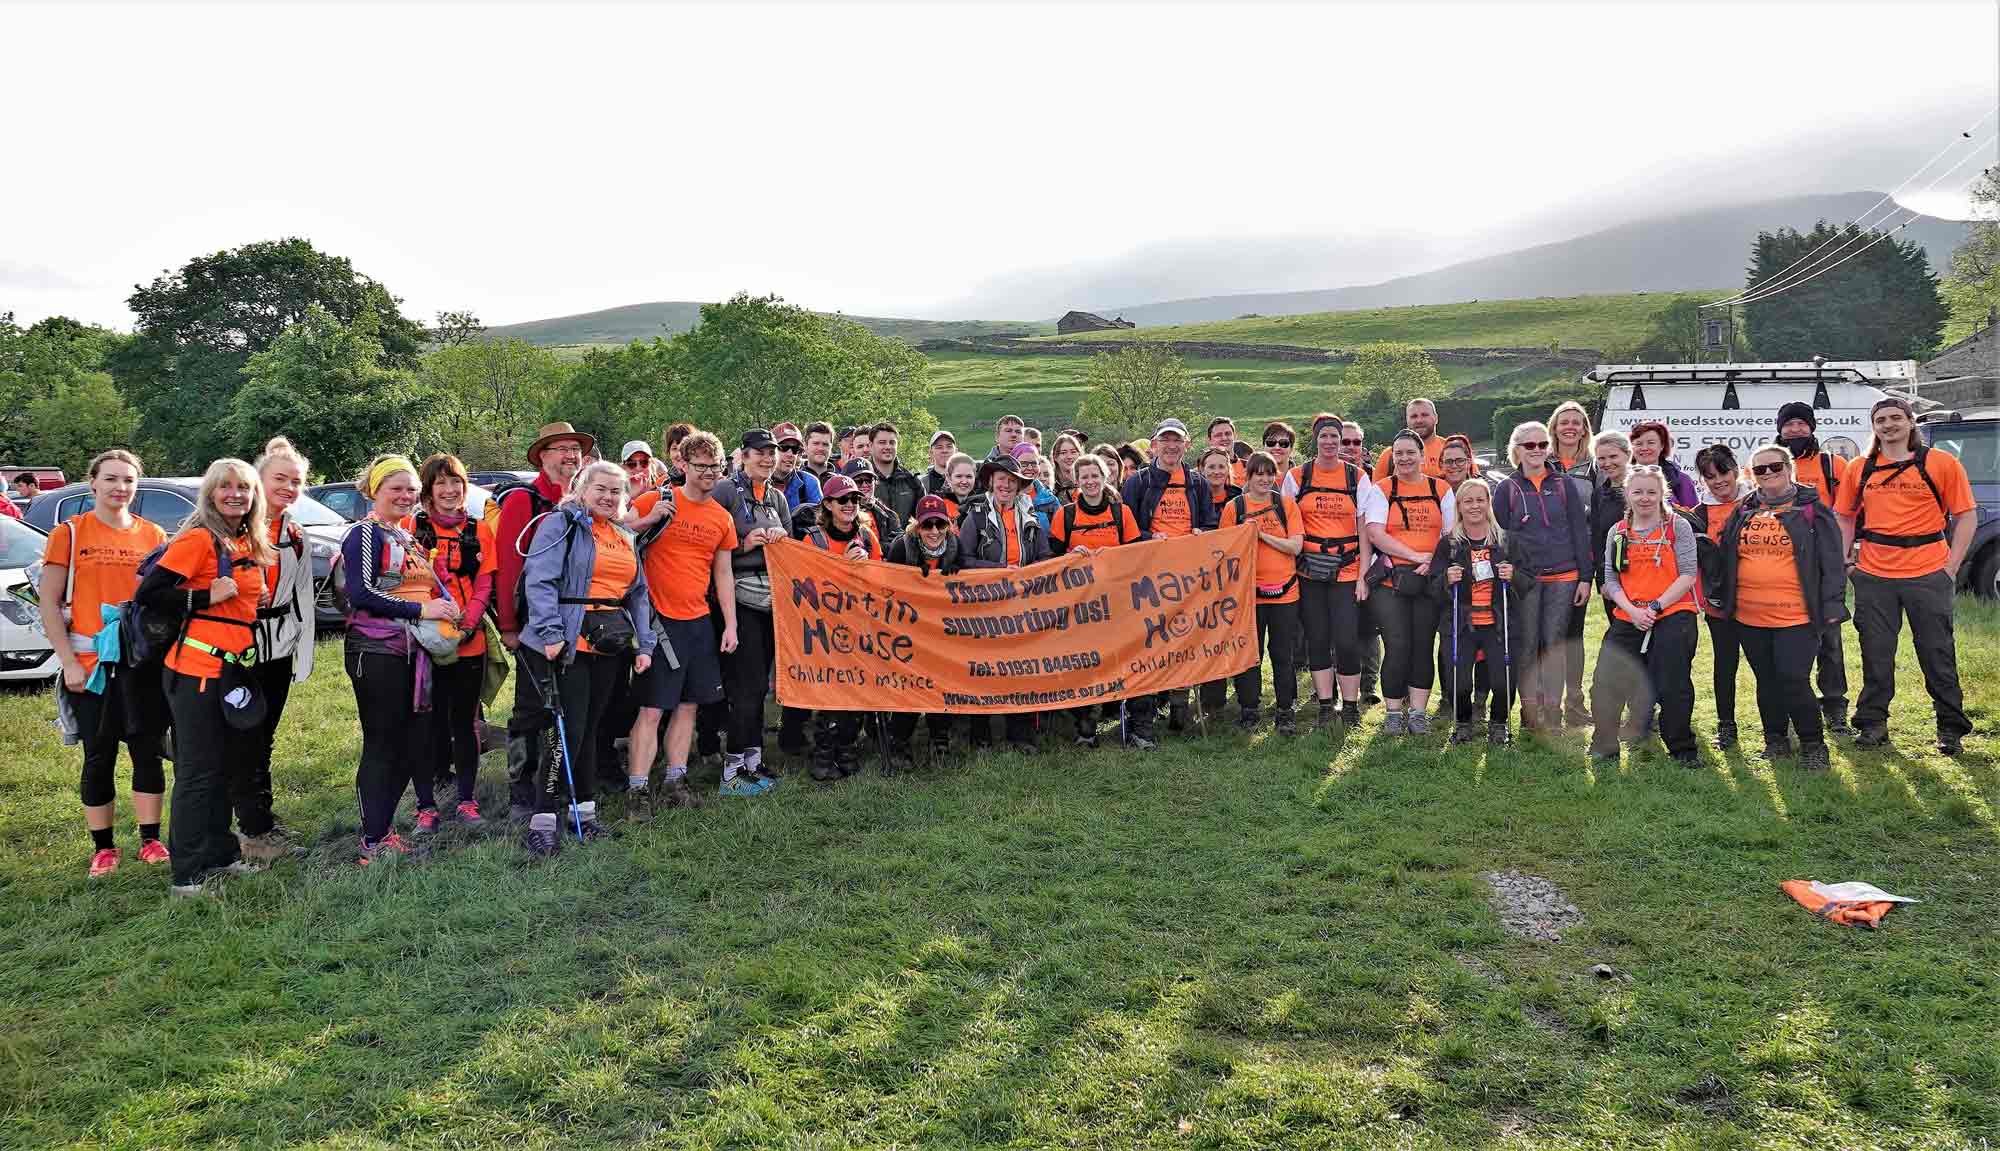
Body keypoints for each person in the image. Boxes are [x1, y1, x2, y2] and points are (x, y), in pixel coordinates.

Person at [138, 459, 273, 893]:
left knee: (224, 765)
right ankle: (187, 871)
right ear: (211, 494)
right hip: (195, 670)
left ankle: (222, 853)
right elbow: (150, 593)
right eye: (225, 487)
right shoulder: (199, 539)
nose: (236, 494)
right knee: (197, 772)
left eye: (244, 488)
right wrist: (202, 595)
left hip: (230, 669)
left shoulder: (247, 541)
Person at [38, 449, 170, 878]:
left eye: (128, 480)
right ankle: (104, 849)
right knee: (99, 754)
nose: (120, 488)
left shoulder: (153, 535)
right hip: (91, 663)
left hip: (141, 662)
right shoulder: (71, 532)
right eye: (111, 479)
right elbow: (49, 603)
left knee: (147, 751)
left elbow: (163, 600)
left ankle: (152, 841)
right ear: (92, 482)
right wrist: (68, 661)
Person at [1834, 396, 1977, 755]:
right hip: (1874, 575)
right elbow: (1845, 516)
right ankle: (1872, 724)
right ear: (1874, 427)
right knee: (1876, 653)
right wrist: (1846, 562)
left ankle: (1950, 727)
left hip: (1929, 572)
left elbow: (1966, 515)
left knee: (1936, 652)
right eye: (1881, 419)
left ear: (1911, 422)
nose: (1888, 424)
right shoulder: (1860, 468)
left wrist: (1952, 566)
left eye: (1896, 417)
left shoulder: (1941, 464)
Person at [341, 456, 461, 863]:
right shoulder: (363, 534)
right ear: (374, 490)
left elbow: (420, 587)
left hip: (412, 652)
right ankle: (371, 840)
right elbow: (360, 594)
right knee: (381, 743)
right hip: (376, 653)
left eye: (411, 489)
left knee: (407, 740)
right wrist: (421, 612)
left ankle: (384, 829)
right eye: (396, 488)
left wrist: (442, 606)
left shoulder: (404, 536)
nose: (406, 495)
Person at [624, 430, 738, 807]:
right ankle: (637, 789)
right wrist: (646, 519)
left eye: (715, 466)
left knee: (689, 704)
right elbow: (615, 535)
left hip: (699, 621)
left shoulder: (722, 518)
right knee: (653, 707)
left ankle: (676, 781)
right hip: (659, 621)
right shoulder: (657, 499)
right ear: (683, 465)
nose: (709, 473)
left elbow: (723, 573)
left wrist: (731, 624)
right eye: (701, 465)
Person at [1716, 444, 1847, 770]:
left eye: (1775, 466)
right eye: (1760, 469)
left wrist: (1832, 604)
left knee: (1792, 678)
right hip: (1749, 614)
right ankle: (1775, 741)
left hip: (1796, 614)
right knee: (1767, 679)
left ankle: (1814, 746)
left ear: (1789, 468)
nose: (1769, 473)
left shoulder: (1812, 508)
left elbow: (1832, 561)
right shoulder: (1744, 508)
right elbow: (1727, 553)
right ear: (1751, 475)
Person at [496, 421, 590, 821]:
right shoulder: (524, 499)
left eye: (576, 449)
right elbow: (508, 565)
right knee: (531, 708)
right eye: (561, 449)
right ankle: (521, 787)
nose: (571, 455)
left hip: (573, 622)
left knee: (564, 707)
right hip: (533, 625)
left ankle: (557, 783)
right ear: (543, 456)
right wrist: (508, 626)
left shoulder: (583, 499)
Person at [236, 437, 318, 859]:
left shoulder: (295, 533)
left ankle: (258, 817)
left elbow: (304, 597)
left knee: (264, 734)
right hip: (236, 649)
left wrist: (303, 653)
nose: (288, 487)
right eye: (280, 479)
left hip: (279, 646)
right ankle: (251, 828)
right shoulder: (232, 524)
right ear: (259, 479)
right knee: (244, 734)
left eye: (296, 481)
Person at [1590, 465, 1699, 768]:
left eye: (1652, 492)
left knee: (1671, 683)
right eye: (1637, 491)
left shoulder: (1678, 527)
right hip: (1629, 615)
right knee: (1605, 681)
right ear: (1627, 493)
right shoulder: (1617, 531)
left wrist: (1654, 608)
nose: (1645, 498)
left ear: (1662, 493)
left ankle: (1682, 748)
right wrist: (1632, 610)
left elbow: (1688, 574)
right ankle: (1605, 744)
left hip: (1673, 612)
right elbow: (1610, 580)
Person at [1491, 421, 1593, 732]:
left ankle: (1553, 711)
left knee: (1553, 644)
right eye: (1529, 445)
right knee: (1527, 644)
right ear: (1516, 450)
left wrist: (1585, 578)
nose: (1537, 451)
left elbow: (1579, 532)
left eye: (1542, 445)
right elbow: (1500, 539)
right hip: (1526, 579)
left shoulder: (1564, 485)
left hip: (1565, 576)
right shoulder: (1506, 489)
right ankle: (1529, 711)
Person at [413, 452, 497, 827]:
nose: (449, 490)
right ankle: (426, 804)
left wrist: (468, 623)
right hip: (426, 643)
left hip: (470, 640)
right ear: (428, 490)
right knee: (426, 724)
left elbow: (485, 582)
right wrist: (436, 624)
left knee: (465, 723)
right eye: (441, 483)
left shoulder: (479, 530)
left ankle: (466, 800)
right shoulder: (411, 528)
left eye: (456, 482)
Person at [1280, 415, 1376, 727]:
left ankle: (1349, 706)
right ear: (1316, 440)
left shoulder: (1357, 477)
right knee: (1317, 639)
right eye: (1325, 437)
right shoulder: (1298, 476)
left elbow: (1365, 528)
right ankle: (1325, 705)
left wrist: (1364, 574)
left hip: (1347, 570)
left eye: (1336, 437)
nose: (1331, 442)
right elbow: (1286, 523)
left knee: (1347, 640)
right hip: (1309, 571)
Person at [1122, 417, 1217, 734]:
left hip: (1186, 579)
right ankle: (1143, 717)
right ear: (1154, 445)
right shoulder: (1138, 482)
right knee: (1147, 644)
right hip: (1147, 577)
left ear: (1187, 445)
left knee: (1183, 640)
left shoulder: (1198, 482)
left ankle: (1179, 707)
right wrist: (1149, 537)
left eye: (1177, 440)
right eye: (1166, 440)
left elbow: (1211, 525)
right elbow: (1128, 529)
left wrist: (1200, 533)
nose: (1172, 446)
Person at [714, 428, 792, 789]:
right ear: (743, 455)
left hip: (771, 601)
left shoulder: (776, 496)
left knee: (759, 685)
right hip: (738, 601)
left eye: (772, 453)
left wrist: (781, 541)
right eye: (759, 452)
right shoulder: (727, 491)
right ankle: (732, 771)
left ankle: (753, 761)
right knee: (744, 688)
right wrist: (745, 544)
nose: (767, 458)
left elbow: (789, 547)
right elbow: (711, 548)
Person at [1773, 401, 1855, 736]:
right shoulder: (1769, 465)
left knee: (1830, 640)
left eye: (1800, 424)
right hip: (1779, 566)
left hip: (1824, 567)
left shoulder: (1832, 464)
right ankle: (1793, 706)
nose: (1794, 430)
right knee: (1788, 641)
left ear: (1812, 428)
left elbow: (1849, 512)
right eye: (1788, 424)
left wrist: (1846, 554)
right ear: (1779, 429)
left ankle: (1835, 707)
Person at [1366, 430, 1457, 734]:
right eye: (1398, 453)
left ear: (1422, 455)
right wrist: (1416, 556)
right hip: (1391, 581)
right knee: (1397, 645)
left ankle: (1418, 712)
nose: (1404, 458)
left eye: (1410, 452)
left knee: (1422, 646)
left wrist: (1431, 560)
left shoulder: (1440, 488)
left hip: (1428, 581)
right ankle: (1393, 712)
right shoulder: (1382, 488)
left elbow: (1449, 533)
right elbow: (1376, 533)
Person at [1049, 454, 1141, 747]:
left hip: (1116, 600)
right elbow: (1049, 561)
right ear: (1076, 481)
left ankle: (1128, 717)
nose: (1090, 482)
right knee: (1084, 662)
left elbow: (1137, 555)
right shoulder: (1064, 515)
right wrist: (1069, 557)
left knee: (1123, 656)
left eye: (1095, 476)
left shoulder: (1121, 512)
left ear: (1106, 478)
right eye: (1084, 477)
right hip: (1079, 605)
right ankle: (1085, 724)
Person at [960, 454, 1049, 752]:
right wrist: (999, 573)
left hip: (1022, 604)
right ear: (991, 482)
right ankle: (981, 736)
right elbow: (964, 560)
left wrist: (1036, 573)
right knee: (983, 668)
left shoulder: (1032, 514)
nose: (1006, 485)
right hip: (985, 604)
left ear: (1020, 485)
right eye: (1001, 480)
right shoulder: (975, 515)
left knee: (1021, 668)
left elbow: (1045, 556)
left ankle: (1020, 734)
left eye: (1012, 481)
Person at [800, 473, 880, 780]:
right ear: (828, 504)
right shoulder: (813, 539)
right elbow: (806, 589)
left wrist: (867, 567)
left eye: (855, 499)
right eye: (843, 500)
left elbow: (883, 580)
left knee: (857, 689)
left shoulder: (868, 537)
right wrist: (843, 566)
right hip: (825, 629)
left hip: (861, 626)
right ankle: (824, 752)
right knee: (832, 692)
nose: (850, 505)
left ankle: (847, 748)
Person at [1432, 476, 1523, 745]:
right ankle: (1462, 722)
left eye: (1480, 500)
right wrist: (1445, 579)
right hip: (1461, 623)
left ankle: (1499, 723)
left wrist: (1514, 575)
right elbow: (1431, 587)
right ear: (1459, 506)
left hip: (1498, 622)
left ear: (1489, 503)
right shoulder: (1449, 544)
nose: (1474, 506)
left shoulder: (1506, 540)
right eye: (1468, 501)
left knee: (1502, 680)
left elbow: (1528, 582)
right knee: (1459, 681)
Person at [1218, 451, 1304, 735]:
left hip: (1285, 592)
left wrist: (1261, 536)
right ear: (1248, 476)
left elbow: (1295, 547)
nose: (1265, 479)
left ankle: (1285, 709)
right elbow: (1224, 552)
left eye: (1270, 474)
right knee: (1249, 654)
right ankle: (1249, 708)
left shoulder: (1285, 505)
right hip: (1248, 595)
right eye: (1259, 474)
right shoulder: (1235, 508)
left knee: (1282, 653)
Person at [886, 494, 965, 762]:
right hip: (907, 627)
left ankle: (939, 734)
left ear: (948, 525)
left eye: (939, 525)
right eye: (927, 525)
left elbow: (969, 583)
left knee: (941, 679)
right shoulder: (901, 547)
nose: (934, 531)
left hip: (942, 627)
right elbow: (885, 587)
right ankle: (899, 739)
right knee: (909, 683)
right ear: (917, 526)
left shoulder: (956, 546)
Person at [1686, 445, 1750, 750]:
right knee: (1725, 664)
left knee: (1768, 666)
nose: (1718, 481)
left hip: (1758, 601)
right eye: (1710, 476)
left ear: (1736, 470)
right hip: (1719, 604)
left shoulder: (1755, 503)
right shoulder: (1699, 513)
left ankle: (1778, 725)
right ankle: (1727, 725)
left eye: (1723, 472)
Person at [1338, 422, 1385, 704]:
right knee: (1338, 627)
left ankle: (1369, 686)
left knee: (1369, 628)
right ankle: (1335, 684)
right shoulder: (1319, 476)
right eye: (1346, 441)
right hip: (1334, 562)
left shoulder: (1375, 482)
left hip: (1370, 562)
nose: (1350, 447)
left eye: (1356, 442)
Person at [1627, 421, 1699, 507]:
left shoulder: (1681, 480)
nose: (1644, 448)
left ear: (1662, 446)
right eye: (1639, 443)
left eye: (1651, 443)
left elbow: (1691, 515)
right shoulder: (1621, 477)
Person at [1373, 398, 1446, 480]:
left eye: (1424, 415)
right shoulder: (1391, 455)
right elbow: (1376, 491)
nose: (1419, 420)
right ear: (1407, 420)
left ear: (1436, 418)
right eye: (1414, 416)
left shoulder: (1448, 449)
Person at [771, 422, 823, 512]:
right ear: (771, 450)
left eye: (795, 449)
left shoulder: (809, 483)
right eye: (784, 447)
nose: (790, 454)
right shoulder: (756, 481)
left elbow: (821, 521)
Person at [1549, 401, 1596, 475]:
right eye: (1564, 423)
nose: (1570, 427)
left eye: (1576, 423)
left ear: (1584, 430)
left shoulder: (1596, 466)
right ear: (1554, 429)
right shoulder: (1541, 462)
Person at [1207, 417, 1246, 486]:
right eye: (1218, 435)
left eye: (1228, 434)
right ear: (1209, 440)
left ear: (1235, 436)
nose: (1224, 438)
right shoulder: (1200, 472)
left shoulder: (1249, 468)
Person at [941, 451, 977, 523]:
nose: (964, 481)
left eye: (969, 476)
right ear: (948, 477)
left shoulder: (981, 504)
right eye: (959, 476)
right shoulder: (940, 505)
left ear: (975, 477)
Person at [802, 421, 837, 485]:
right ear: (805, 446)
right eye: (816, 443)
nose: (820, 448)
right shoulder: (796, 480)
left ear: (831, 447)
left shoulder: (839, 481)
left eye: (825, 444)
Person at [924, 429, 958, 495]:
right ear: (931, 452)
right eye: (939, 447)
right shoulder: (922, 484)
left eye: (949, 446)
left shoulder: (969, 480)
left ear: (956, 451)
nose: (944, 450)